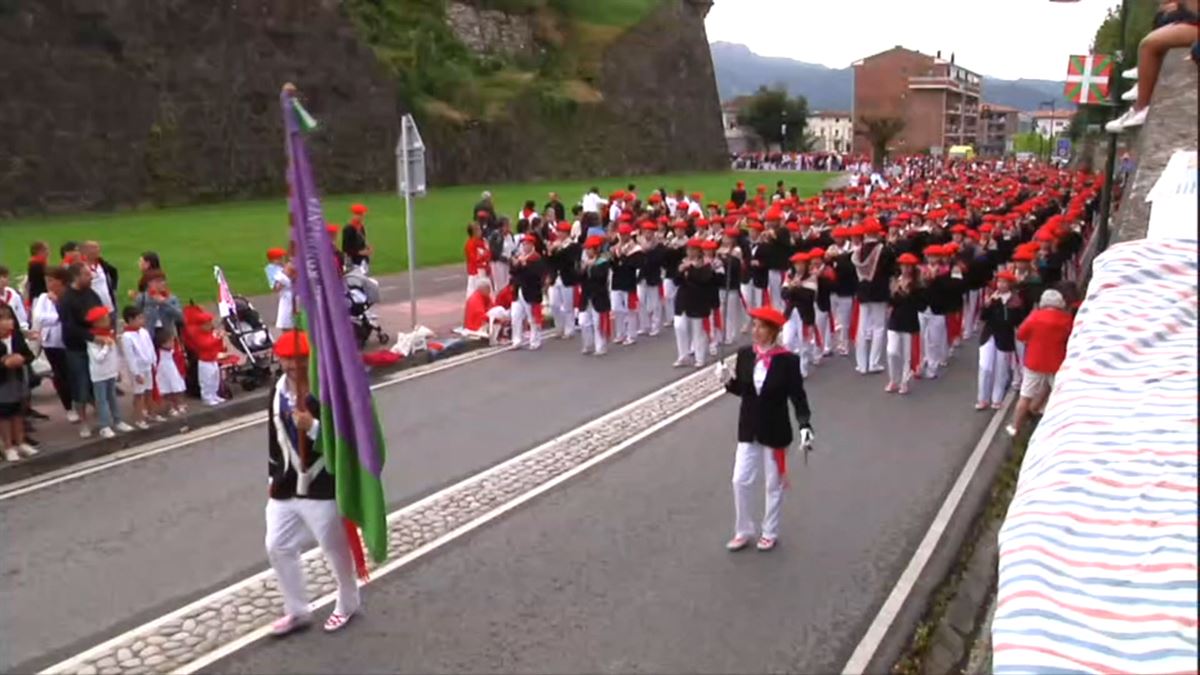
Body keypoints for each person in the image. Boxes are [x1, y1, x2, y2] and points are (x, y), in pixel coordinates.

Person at [265, 330, 361, 637]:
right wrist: (272, 475)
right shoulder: (277, 390)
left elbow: (347, 438)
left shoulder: (328, 390)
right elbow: (273, 438)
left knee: (334, 549)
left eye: (301, 358)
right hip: (285, 486)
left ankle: (348, 602)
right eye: (288, 358)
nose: (294, 364)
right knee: (277, 546)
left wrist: (315, 427)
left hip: (322, 486)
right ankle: (297, 610)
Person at [714, 306, 814, 552]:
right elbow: (743, 391)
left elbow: (798, 397)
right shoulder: (746, 355)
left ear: (772, 331)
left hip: (775, 429)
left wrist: (804, 425)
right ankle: (743, 529)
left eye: (760, 327)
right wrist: (727, 380)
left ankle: (769, 531)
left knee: (773, 484)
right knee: (740, 479)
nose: (754, 330)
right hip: (748, 427)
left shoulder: (789, 361)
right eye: (754, 325)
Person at [1007, 289, 1074, 437]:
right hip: (1056, 363)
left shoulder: (1034, 317)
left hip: (1034, 361)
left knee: (1025, 395)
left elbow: (1020, 334)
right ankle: (1052, 426)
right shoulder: (1066, 319)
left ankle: (1015, 427)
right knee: (1058, 395)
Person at [59, 262, 103, 434]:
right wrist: (92, 336)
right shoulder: (67, 299)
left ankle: (103, 416)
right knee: (81, 385)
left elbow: (101, 313)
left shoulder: (91, 293)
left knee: (98, 382)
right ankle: (84, 422)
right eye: (86, 274)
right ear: (76, 277)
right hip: (77, 348)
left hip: (94, 345)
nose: (91, 277)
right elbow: (69, 327)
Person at [977, 271, 1023, 411]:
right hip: (989, 336)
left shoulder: (1015, 301)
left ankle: (997, 398)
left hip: (1005, 337)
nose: (1001, 285)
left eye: (1004, 282)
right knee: (985, 367)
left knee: (1001, 369)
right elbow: (983, 317)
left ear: (1010, 285)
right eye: (999, 282)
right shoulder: (992, 298)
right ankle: (982, 398)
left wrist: (1001, 305)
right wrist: (987, 305)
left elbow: (1012, 320)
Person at [851, 220, 893, 374]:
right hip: (879, 291)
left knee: (862, 327)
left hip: (863, 290)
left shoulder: (857, 251)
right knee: (878, 327)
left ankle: (861, 364)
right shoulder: (885, 250)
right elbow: (891, 271)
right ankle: (873, 363)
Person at [84, 306, 131, 439]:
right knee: (102, 400)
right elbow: (98, 358)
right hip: (99, 375)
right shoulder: (93, 339)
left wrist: (117, 369)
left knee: (112, 398)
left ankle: (118, 420)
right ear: (96, 322)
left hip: (110, 372)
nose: (108, 319)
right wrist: (106, 346)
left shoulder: (109, 333)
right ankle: (104, 425)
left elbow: (115, 354)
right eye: (104, 318)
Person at [31, 267, 72, 417]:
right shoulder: (43, 298)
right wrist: (57, 317)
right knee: (60, 375)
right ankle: (69, 407)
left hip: (68, 341)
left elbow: (69, 314)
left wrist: (58, 307)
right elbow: (39, 317)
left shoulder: (67, 296)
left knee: (73, 374)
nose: (48, 284)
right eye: (46, 280)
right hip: (51, 343)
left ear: (61, 281)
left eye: (51, 280)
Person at [885, 253, 926, 394]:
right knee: (892, 351)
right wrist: (895, 292)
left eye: (908, 266)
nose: (906, 269)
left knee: (907, 355)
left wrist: (909, 292)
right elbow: (891, 303)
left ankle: (904, 381)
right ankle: (893, 379)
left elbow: (921, 305)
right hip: (895, 321)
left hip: (909, 322)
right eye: (903, 265)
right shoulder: (896, 281)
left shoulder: (918, 285)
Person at [0, 305, 37, 462]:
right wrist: (4, 363)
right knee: (4, 414)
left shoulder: (15, 337)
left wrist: (22, 359)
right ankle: (8, 446)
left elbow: (29, 355)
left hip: (18, 378)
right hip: (2, 382)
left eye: (10, 318)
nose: (9, 322)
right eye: (4, 319)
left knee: (18, 411)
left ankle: (21, 442)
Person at [673, 239, 712, 368]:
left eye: (693, 250)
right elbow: (676, 281)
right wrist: (679, 271)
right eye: (688, 249)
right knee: (679, 326)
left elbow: (703, 279)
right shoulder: (683, 262)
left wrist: (690, 269)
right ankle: (683, 356)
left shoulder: (705, 264)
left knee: (698, 330)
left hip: (698, 300)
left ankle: (700, 357)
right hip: (683, 299)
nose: (690, 252)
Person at [120, 306, 157, 428]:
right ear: (130, 320)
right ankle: (139, 418)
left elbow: (150, 347)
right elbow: (130, 357)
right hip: (138, 369)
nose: (142, 320)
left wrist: (154, 362)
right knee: (139, 394)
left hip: (147, 366)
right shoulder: (126, 337)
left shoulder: (144, 332)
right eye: (139, 318)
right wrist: (136, 373)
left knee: (149, 391)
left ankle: (151, 413)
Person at [509, 234, 546, 351]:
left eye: (527, 244)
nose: (524, 247)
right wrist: (516, 265)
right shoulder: (521, 257)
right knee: (515, 316)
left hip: (530, 292)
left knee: (532, 318)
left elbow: (536, 276)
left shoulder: (536, 258)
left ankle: (535, 340)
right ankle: (516, 340)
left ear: (532, 245)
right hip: (518, 290)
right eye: (523, 244)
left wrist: (524, 265)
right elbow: (513, 272)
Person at [577, 235, 612, 356]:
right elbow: (579, 278)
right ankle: (588, 344)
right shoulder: (584, 262)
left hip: (599, 295)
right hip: (586, 296)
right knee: (583, 321)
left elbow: (601, 277)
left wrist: (592, 266)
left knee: (598, 322)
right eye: (586, 249)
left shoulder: (603, 262)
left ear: (596, 249)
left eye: (590, 249)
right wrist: (583, 269)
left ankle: (601, 346)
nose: (587, 251)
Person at [185, 310, 228, 407]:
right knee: (206, 380)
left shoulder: (210, 333)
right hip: (205, 361)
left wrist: (220, 339)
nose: (210, 325)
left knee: (215, 378)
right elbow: (205, 344)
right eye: (207, 324)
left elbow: (217, 346)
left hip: (213, 359)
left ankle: (214, 395)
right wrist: (216, 337)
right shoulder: (198, 335)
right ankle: (207, 397)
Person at [80, 241, 120, 323]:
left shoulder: (102, 264)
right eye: (94, 248)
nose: (98, 250)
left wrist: (114, 288)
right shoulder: (81, 266)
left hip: (109, 307)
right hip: (94, 309)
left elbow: (114, 272)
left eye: (98, 247)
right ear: (85, 251)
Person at [341, 204, 371, 274]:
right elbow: (345, 248)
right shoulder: (348, 229)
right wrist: (360, 252)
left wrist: (367, 247)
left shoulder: (361, 227)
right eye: (361, 215)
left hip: (363, 260)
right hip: (354, 262)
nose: (363, 217)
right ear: (356, 215)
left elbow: (362, 241)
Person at [464, 222, 492, 297]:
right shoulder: (470, 244)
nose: (480, 231)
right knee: (473, 291)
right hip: (475, 271)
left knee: (487, 289)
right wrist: (483, 258)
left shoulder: (483, 241)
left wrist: (486, 262)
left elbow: (489, 254)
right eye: (478, 229)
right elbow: (474, 259)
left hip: (484, 269)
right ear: (473, 232)